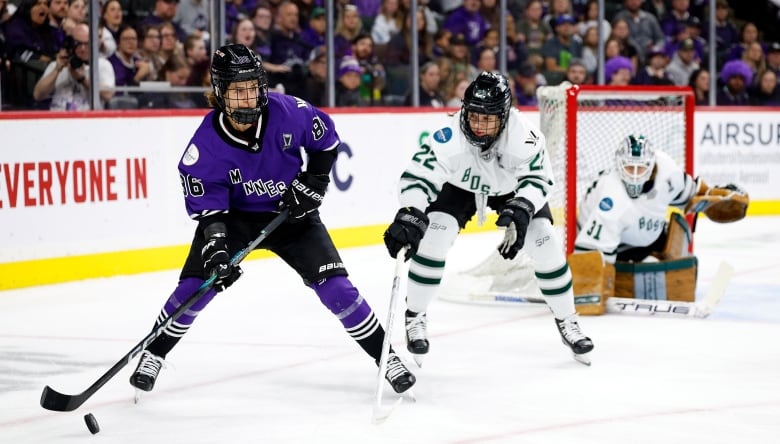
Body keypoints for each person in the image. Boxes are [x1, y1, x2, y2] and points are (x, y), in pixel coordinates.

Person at [129, 44, 415, 397]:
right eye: (237, 90)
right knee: (194, 289)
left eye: (252, 88)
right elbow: (210, 208)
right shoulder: (205, 144)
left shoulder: (287, 111)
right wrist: (217, 248)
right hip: (234, 220)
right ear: (220, 93)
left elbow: (326, 141)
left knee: (338, 289)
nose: (247, 99)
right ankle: (153, 354)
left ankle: (386, 357)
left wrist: (315, 183)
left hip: (291, 214)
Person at [383, 72, 594, 366]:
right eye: (474, 116)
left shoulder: (525, 136)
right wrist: (411, 211)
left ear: (505, 116)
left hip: (511, 191)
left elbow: (540, 180)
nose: (479, 125)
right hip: (459, 187)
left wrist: (523, 207)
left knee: (545, 243)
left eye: (489, 118)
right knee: (433, 239)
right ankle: (415, 314)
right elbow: (418, 178)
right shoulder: (448, 135)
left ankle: (567, 320)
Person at [573, 134, 743, 264]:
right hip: (612, 244)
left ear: (652, 165)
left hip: (647, 237)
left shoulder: (667, 172)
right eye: (629, 167)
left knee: (679, 233)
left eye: (640, 168)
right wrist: (591, 284)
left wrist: (716, 199)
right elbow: (590, 254)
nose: (634, 175)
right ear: (618, 165)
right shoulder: (611, 196)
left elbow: (694, 195)